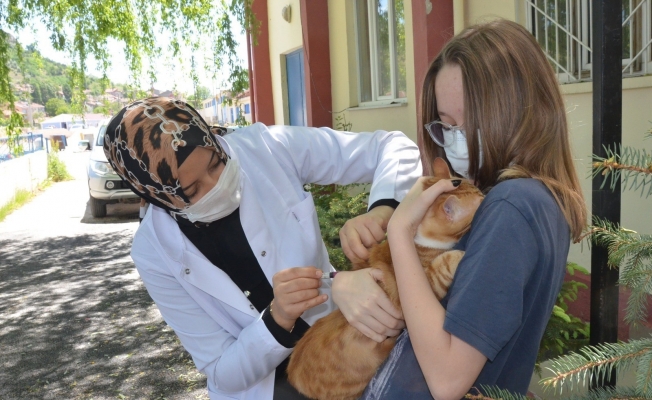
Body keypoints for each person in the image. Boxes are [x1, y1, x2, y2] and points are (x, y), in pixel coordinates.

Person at [102, 97, 422, 400]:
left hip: (337, 358)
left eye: (216, 163)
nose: (217, 186)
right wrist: (278, 318)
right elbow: (221, 371)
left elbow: (392, 147)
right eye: (193, 189)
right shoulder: (154, 251)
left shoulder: (266, 148)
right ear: (156, 195)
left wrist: (382, 210)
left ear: (213, 139)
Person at [361, 19, 588, 400]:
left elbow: (448, 379)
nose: (454, 141)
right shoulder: (535, 199)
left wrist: (399, 234)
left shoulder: (511, 207)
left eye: (470, 122)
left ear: (520, 110)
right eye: (446, 126)